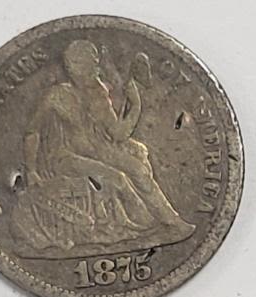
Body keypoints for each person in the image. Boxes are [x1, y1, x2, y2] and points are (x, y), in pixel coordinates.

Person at [11, 39, 194, 255]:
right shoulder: (56, 96)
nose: (95, 69)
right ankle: (142, 226)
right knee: (117, 178)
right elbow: (33, 131)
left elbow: (117, 133)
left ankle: (171, 222)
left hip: (97, 150)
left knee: (137, 168)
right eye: (90, 64)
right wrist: (31, 170)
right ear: (73, 67)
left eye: (95, 63)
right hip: (63, 158)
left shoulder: (97, 91)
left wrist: (135, 106)